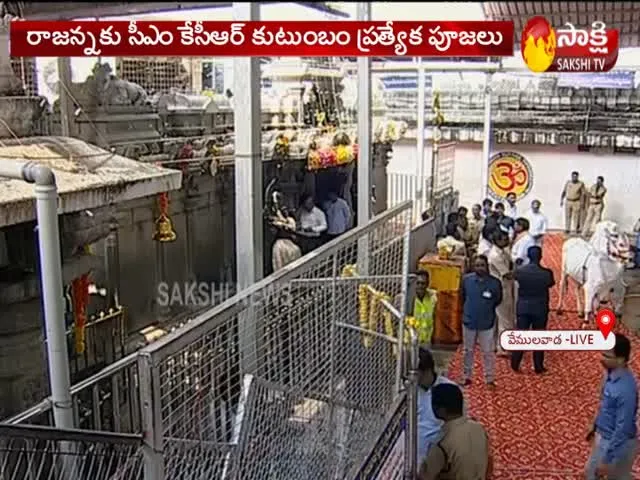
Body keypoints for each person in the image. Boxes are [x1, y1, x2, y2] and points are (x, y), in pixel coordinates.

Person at [585, 333, 638, 480]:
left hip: (618, 445)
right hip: (604, 436)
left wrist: (608, 459)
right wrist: (595, 424)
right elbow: (605, 405)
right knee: (590, 472)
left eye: (607, 355)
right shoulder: (610, 374)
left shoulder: (625, 389)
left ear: (621, 359)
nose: (601, 358)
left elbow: (623, 427)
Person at [418, 383, 491, 480]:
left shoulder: (442, 443)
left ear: (441, 410)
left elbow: (425, 477)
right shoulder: (479, 428)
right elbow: (490, 463)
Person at [510, 246, 555, 374]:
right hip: (540, 308)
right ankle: (538, 367)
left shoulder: (520, 271)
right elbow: (551, 284)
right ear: (540, 257)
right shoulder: (547, 273)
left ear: (528, 256)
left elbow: (513, 277)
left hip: (523, 307)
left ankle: (515, 363)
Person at [461, 255, 502, 387]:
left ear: (487, 266)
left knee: (488, 352)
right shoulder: (466, 280)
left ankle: (489, 378)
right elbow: (463, 296)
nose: (480, 268)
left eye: (482, 265)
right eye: (477, 265)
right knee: (468, 351)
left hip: (487, 323)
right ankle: (467, 376)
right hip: (469, 321)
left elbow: (498, 300)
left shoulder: (495, 283)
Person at [416, 348, 458, 467]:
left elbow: (459, 424)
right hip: (412, 451)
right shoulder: (408, 391)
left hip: (439, 454)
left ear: (426, 370)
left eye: (414, 372)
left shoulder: (449, 389)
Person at [488, 230, 514, 357]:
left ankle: (495, 344)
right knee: (505, 318)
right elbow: (507, 274)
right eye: (504, 239)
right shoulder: (495, 256)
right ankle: (503, 347)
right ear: (497, 241)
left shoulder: (503, 252)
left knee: (499, 318)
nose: (507, 241)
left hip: (504, 287)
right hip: (501, 288)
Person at [411, 272, 438, 347]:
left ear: (427, 284)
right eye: (418, 283)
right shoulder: (408, 299)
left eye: (423, 283)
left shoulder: (432, 298)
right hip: (410, 341)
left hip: (426, 341)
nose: (420, 286)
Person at [561, 171, 585, 235]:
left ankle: (576, 229)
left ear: (577, 177)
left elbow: (583, 194)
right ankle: (567, 229)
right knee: (567, 216)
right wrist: (561, 200)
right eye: (573, 176)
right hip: (568, 201)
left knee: (576, 216)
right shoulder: (568, 183)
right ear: (571, 176)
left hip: (576, 201)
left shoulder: (581, 184)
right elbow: (564, 192)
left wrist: (582, 203)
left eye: (575, 176)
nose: (574, 178)